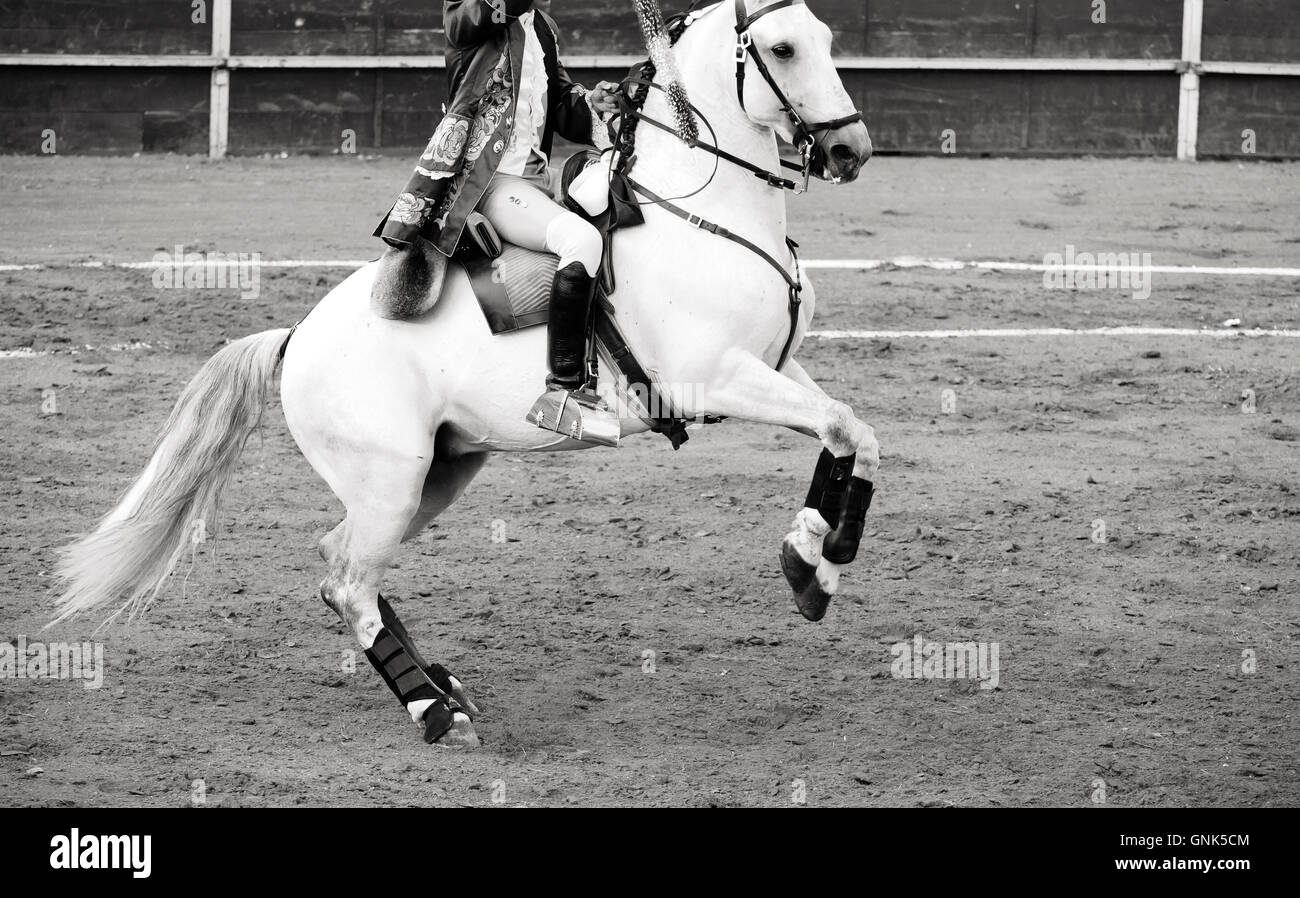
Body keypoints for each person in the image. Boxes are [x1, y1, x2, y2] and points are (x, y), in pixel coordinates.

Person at [375, 0, 621, 439]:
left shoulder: (541, 25)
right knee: (581, 241)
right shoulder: (472, 11)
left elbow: (560, 104)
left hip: (532, 184)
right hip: (488, 184)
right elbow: (471, 18)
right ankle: (564, 393)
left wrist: (592, 103)